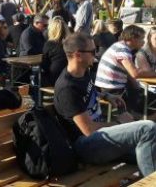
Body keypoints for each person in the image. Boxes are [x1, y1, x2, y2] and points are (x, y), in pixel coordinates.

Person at [54, 32, 156, 177]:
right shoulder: (67, 88)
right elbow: (88, 130)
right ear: (78, 55)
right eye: (93, 51)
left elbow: (88, 92)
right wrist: (119, 122)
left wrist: (107, 96)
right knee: (148, 128)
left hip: (102, 139)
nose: (96, 54)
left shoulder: (82, 73)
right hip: (87, 146)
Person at [95, 25, 154, 113]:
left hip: (108, 87)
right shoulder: (122, 50)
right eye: (142, 39)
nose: (143, 42)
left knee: (143, 94)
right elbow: (134, 73)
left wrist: (136, 85)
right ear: (133, 38)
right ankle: (137, 118)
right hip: (111, 90)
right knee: (148, 97)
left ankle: (137, 116)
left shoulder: (120, 46)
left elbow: (129, 73)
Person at [40, 17, 69, 86]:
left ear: (51, 31)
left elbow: (44, 65)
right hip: (70, 77)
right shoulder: (71, 43)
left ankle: (36, 95)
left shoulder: (49, 44)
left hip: (55, 79)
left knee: (35, 75)